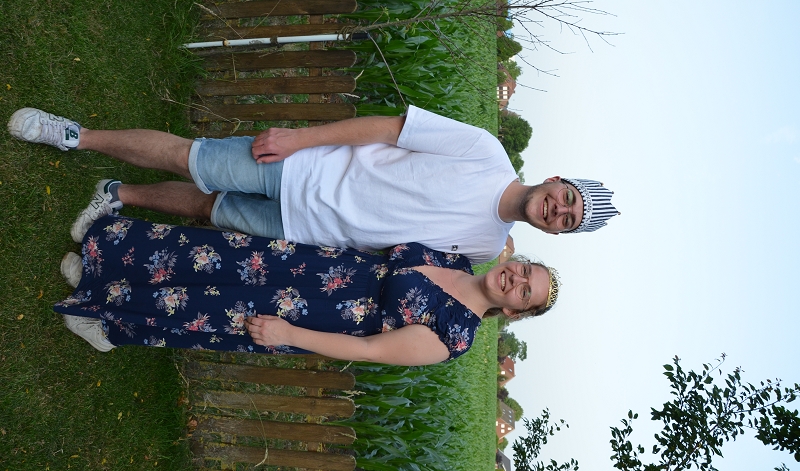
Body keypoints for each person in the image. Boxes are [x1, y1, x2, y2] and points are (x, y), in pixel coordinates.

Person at [8, 106, 619, 263]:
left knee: (206, 207)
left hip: (305, 230)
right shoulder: (485, 151)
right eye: (568, 198)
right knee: (189, 157)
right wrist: (301, 139)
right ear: (556, 180)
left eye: (567, 221)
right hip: (305, 168)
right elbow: (389, 129)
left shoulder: (485, 249)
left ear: (556, 232)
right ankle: (74, 135)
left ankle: (117, 196)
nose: (559, 210)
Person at [55, 214, 561, 366]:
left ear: (515, 313)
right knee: (212, 257)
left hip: (311, 315)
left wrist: (288, 333)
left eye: (525, 293)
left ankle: (104, 314)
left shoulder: (456, 335)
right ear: (516, 262)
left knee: (206, 307)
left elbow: (370, 349)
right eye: (525, 272)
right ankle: (106, 261)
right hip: (312, 267)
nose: (516, 281)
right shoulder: (455, 258)